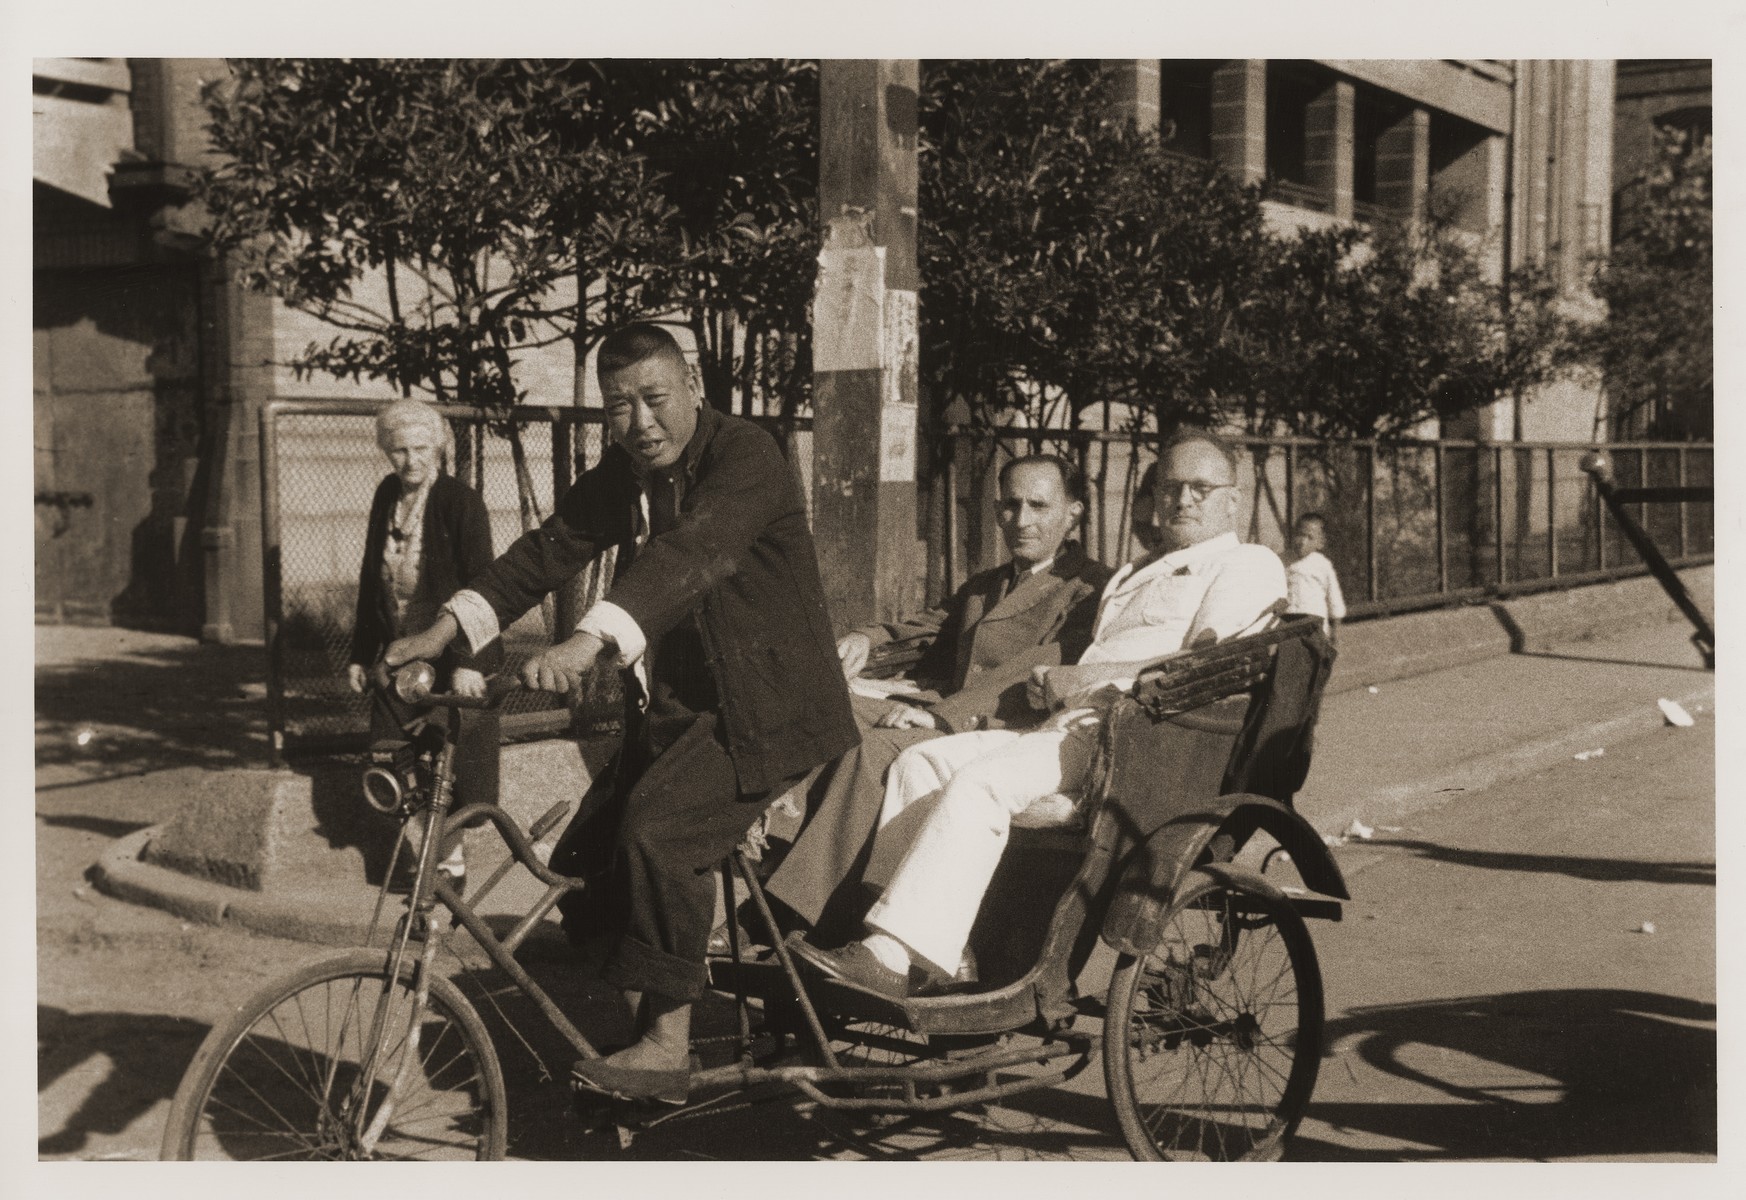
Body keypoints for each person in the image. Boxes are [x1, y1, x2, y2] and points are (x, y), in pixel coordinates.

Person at [385, 323, 857, 1104]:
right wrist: (443, 626)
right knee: (587, 863)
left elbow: (688, 558)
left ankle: (668, 1046)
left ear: (694, 388)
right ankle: (651, 1031)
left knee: (658, 835)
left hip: (770, 709)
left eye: (654, 398)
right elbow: (546, 550)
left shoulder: (748, 455)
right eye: (618, 406)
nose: (639, 422)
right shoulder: (624, 473)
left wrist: (583, 642)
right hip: (681, 709)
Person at [790, 431, 1287, 998]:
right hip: (1070, 727)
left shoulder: (1246, 564)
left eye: (1201, 488)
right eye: (1171, 486)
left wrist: (1092, 677)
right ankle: (947, 951)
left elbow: (1204, 664)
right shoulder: (1137, 573)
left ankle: (890, 956)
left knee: (978, 785)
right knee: (919, 765)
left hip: (1136, 736)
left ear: (1233, 498)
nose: (1183, 500)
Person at [764, 454, 1112, 941]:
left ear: (1073, 512)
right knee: (828, 711)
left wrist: (944, 719)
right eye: (1010, 506)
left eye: (1039, 505)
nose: (1022, 520)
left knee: (874, 750)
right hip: (941, 705)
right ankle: (776, 850)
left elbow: (1038, 667)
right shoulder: (990, 583)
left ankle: (792, 913)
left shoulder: (1089, 589)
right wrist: (869, 637)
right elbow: (930, 626)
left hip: (1004, 728)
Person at [346, 399, 501, 888]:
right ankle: (426, 851)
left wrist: (468, 661)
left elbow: (481, 584)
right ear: (386, 453)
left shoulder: (461, 501)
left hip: (453, 654)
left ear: (438, 448)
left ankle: (446, 867)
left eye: (419, 449)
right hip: (398, 652)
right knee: (390, 755)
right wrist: (359, 653)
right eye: (398, 451)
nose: (410, 461)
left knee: (445, 760)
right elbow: (373, 582)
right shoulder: (385, 496)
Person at [1286, 511, 1346, 642]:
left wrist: (1335, 630)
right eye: (1299, 535)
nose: (1302, 541)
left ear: (1320, 543)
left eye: (1310, 537)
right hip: (1288, 630)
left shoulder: (1322, 565)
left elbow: (1334, 598)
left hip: (1315, 630)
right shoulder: (1282, 561)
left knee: (1315, 660)